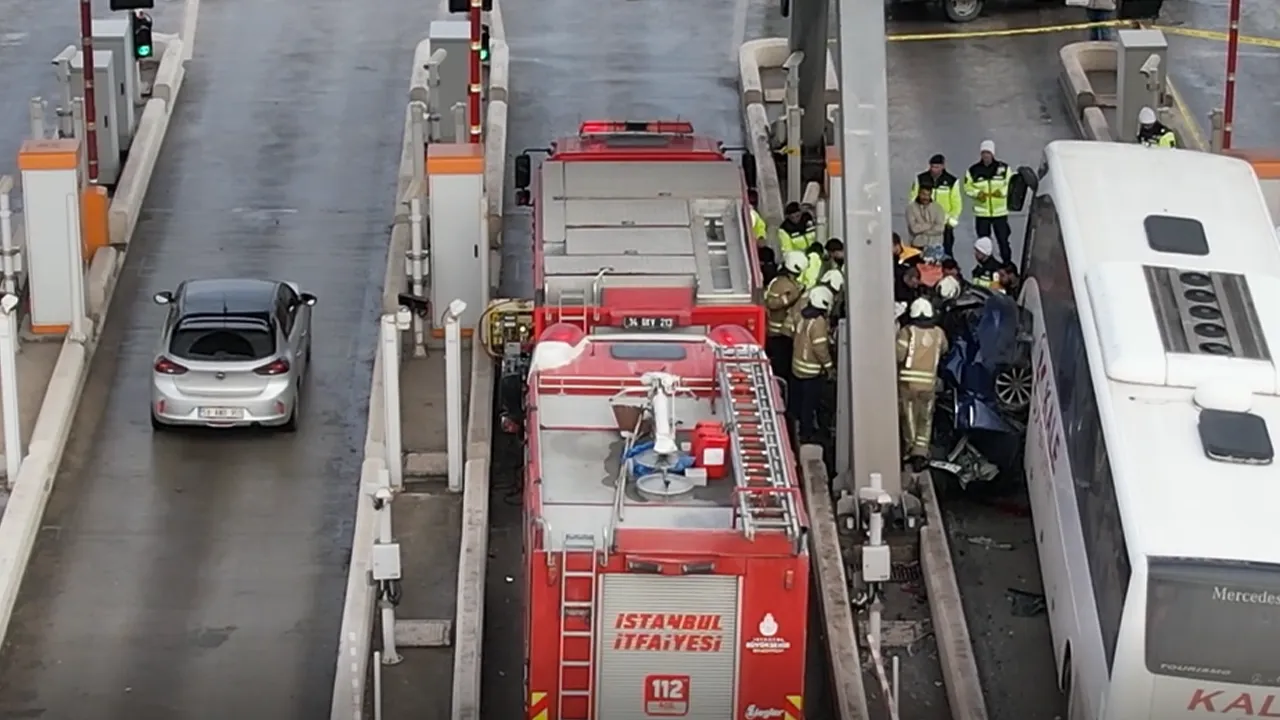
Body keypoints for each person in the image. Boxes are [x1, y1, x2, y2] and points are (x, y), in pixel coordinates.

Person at [896, 297, 949, 471]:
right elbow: (944, 350)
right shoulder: (939, 333)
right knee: (925, 419)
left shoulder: (907, 332)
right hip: (929, 385)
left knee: (909, 416)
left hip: (908, 384)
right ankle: (921, 451)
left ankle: (910, 450)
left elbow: (899, 355)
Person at [790, 286, 836, 443]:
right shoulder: (819, 323)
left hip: (797, 367)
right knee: (809, 404)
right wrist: (829, 367)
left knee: (799, 399)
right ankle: (806, 433)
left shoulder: (802, 315)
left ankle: (797, 424)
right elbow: (820, 348)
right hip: (811, 371)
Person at [964, 140, 1014, 263]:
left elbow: (1011, 184)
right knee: (983, 242)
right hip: (982, 213)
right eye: (984, 153)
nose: (986, 155)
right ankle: (986, 265)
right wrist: (977, 194)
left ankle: (1007, 264)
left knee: (1003, 240)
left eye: (988, 153)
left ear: (993, 153)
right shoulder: (973, 170)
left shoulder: (1004, 168)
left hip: (1000, 213)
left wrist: (1002, 192)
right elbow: (967, 187)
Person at [764, 251, 807, 381]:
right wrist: (791, 297)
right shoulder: (782, 284)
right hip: (778, 335)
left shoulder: (781, 281)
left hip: (780, 334)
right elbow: (771, 303)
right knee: (781, 367)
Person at [909, 154, 963, 256]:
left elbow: (956, 203)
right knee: (920, 251)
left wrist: (951, 220)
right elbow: (913, 199)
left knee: (946, 252)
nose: (934, 170)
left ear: (943, 166)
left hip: (944, 224)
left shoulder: (952, 181)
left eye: (937, 167)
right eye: (932, 166)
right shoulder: (921, 179)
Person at [906, 182, 948, 249]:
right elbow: (914, 229)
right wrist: (931, 225)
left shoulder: (938, 208)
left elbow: (940, 228)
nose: (925, 197)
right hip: (917, 245)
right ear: (919, 193)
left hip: (935, 246)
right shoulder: (911, 208)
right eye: (923, 194)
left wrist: (922, 231)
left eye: (928, 195)